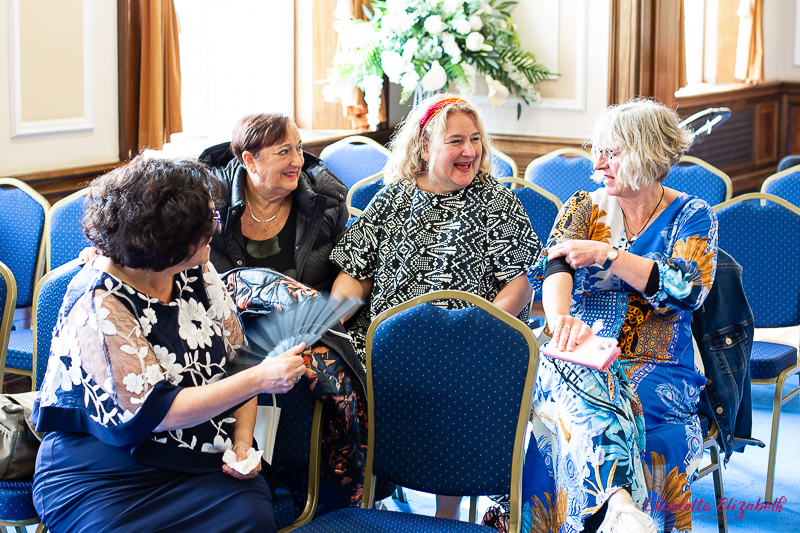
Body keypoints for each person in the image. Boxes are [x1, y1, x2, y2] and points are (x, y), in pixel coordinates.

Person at [32, 157, 307, 533]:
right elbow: (156, 411)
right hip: (106, 467)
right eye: (205, 225)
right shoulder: (99, 301)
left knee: (252, 515)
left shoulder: (195, 268)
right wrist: (260, 380)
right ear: (162, 239)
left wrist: (243, 443)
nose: (216, 231)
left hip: (198, 452)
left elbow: (239, 361)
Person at [329, 94, 542, 520]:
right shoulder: (392, 200)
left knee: (458, 380)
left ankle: (448, 517)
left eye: (476, 140)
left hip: (468, 345)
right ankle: (356, 504)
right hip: (387, 350)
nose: (470, 151)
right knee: (328, 376)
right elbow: (353, 279)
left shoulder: (495, 201)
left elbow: (521, 287)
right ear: (425, 147)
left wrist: (477, 329)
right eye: (456, 141)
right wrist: (317, 327)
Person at [522, 99, 717, 533]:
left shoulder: (692, 215)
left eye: (611, 152)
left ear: (646, 153)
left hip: (658, 360)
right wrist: (558, 321)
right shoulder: (584, 206)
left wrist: (609, 255)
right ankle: (620, 507)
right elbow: (554, 266)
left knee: (587, 402)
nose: (598, 162)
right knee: (560, 382)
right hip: (577, 345)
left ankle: (614, 510)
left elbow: (684, 291)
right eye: (598, 150)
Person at [200, 113, 349, 291]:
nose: (298, 161)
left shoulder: (324, 199)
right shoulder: (209, 203)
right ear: (250, 160)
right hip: (229, 316)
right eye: (284, 151)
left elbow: (353, 265)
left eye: (299, 148)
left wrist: (331, 315)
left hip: (310, 316)